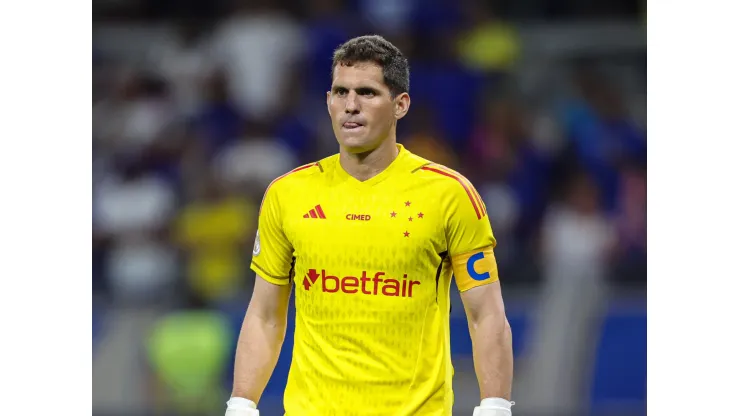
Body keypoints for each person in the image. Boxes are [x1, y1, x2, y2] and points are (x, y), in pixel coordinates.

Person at [225, 35, 514, 416]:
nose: (350, 106)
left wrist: (495, 406)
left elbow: (486, 314)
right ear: (327, 100)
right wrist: (242, 404)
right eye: (340, 92)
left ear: (400, 105)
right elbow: (264, 314)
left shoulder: (449, 194)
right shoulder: (287, 194)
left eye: (367, 93)